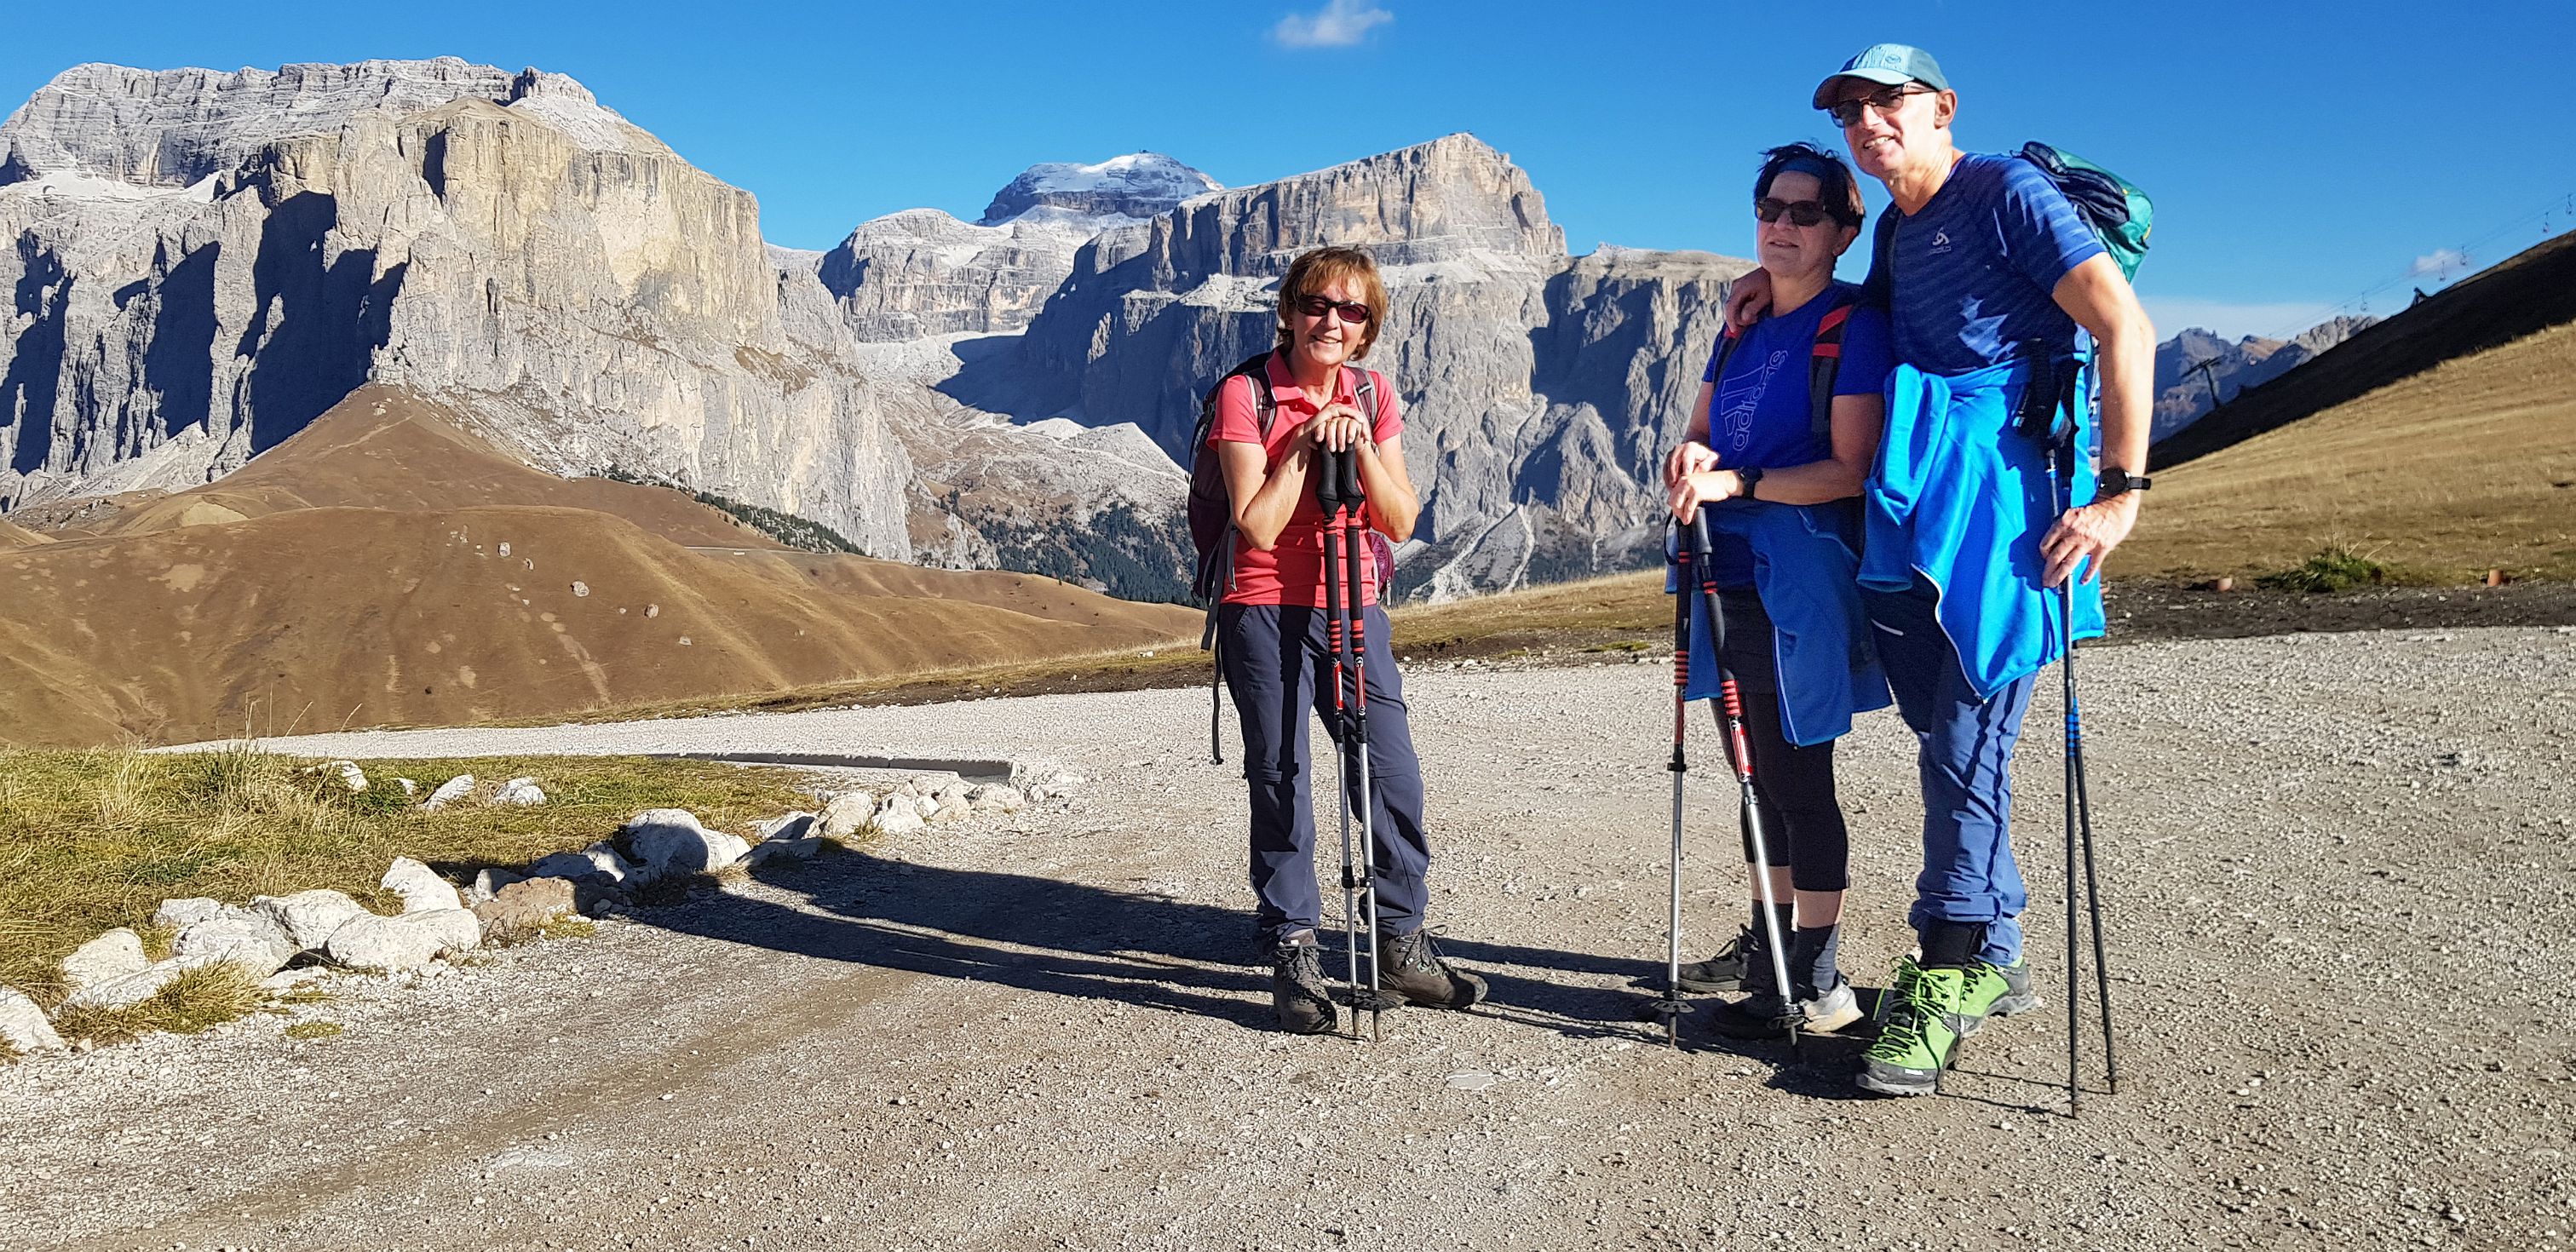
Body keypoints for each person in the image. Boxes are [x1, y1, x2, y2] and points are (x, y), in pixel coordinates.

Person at [1729, 44, 2157, 1096]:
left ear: (1940, 108)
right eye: (1853, 109)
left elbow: (2122, 323)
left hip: (2003, 508)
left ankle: (1950, 966)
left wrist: (2119, 494)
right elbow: (1870, 320)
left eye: (1891, 101)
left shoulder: (2002, 189)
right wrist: (1772, 277)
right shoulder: (1906, 228)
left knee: (1963, 741)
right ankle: (1997, 949)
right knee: (1951, 736)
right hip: (1918, 509)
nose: (1870, 120)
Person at [1210, 245, 1487, 1034]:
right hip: (1264, 606)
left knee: (1390, 768)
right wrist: (1301, 446)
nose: (1333, 321)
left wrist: (1359, 440)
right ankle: (1294, 945)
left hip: (1353, 604)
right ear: (1290, 311)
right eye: (1317, 305)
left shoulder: (1373, 392)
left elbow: (1400, 519)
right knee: (1281, 773)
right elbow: (1256, 525)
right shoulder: (1247, 392)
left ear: (1368, 327)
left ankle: (1401, 939)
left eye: (1352, 310)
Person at [1662, 144, 1894, 1038]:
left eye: (1806, 212)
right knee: (1753, 774)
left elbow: (1848, 471)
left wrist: (1740, 485)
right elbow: (1701, 434)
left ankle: (1822, 980)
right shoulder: (1742, 325)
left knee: (1798, 776)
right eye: (1771, 207)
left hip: (1796, 579)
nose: (1783, 225)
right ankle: (1773, 955)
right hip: (1726, 572)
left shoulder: (1853, 325)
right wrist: (1695, 459)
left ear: (1844, 229)